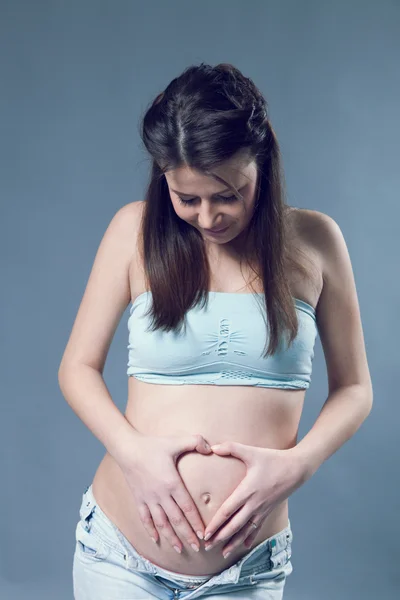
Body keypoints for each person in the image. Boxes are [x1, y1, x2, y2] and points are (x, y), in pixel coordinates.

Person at [58, 62, 373, 599]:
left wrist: (298, 465)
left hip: (247, 569)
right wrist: (134, 456)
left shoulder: (317, 242)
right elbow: (77, 369)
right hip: (122, 556)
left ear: (263, 166)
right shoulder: (132, 232)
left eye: (228, 195)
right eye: (187, 199)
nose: (208, 218)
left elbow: (355, 389)